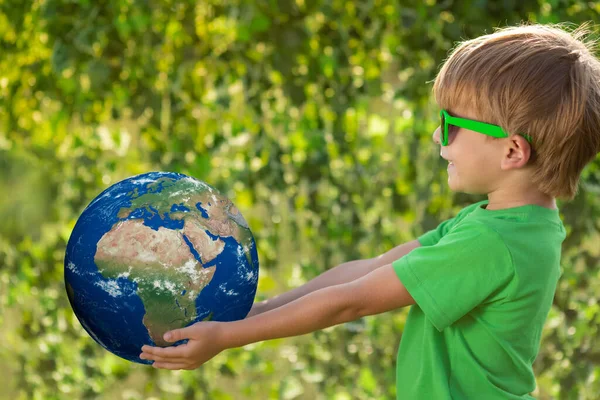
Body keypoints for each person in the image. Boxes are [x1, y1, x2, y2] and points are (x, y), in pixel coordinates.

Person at [140, 23, 600, 398]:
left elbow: (352, 301)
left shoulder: (492, 241)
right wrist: (253, 312)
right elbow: (370, 270)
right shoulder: (508, 222)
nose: (439, 139)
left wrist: (229, 337)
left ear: (513, 152)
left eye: (452, 124)